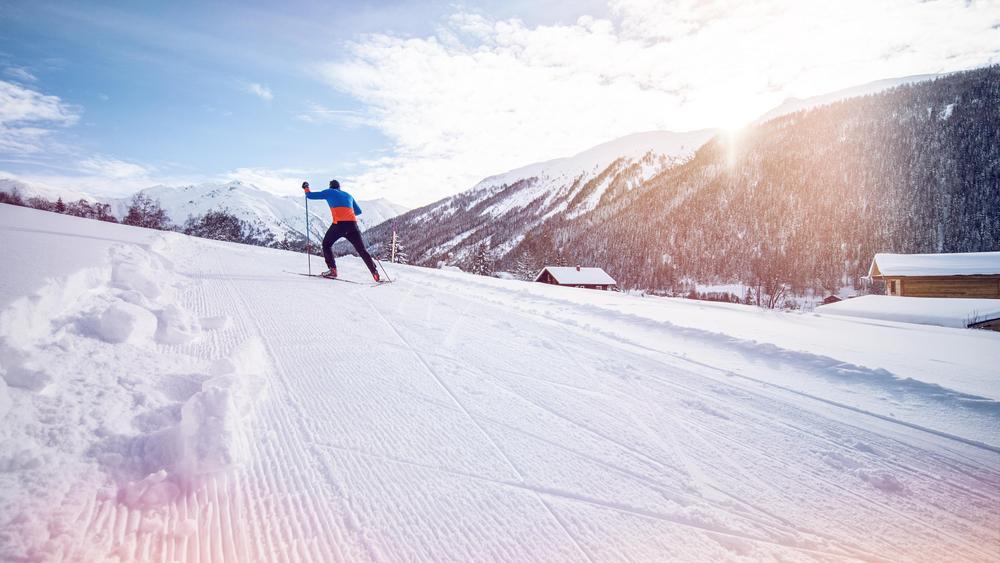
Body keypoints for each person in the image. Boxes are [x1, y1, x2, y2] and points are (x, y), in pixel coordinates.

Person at [302, 179, 380, 282]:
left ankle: (333, 270)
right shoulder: (348, 195)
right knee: (362, 250)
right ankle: (375, 273)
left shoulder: (329, 192)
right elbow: (358, 211)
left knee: (326, 244)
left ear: (330, 187)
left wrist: (306, 187)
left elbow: (310, 196)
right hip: (353, 225)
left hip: (339, 225)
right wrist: (348, 213)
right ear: (339, 187)